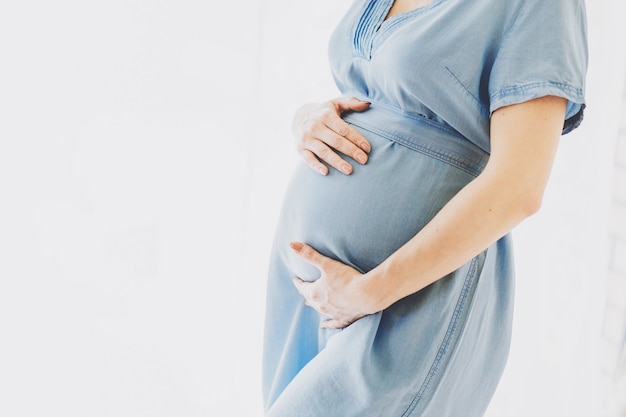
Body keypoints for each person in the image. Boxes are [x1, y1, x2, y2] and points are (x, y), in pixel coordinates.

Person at [262, 0, 588, 416]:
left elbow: (519, 186)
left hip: (405, 298)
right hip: (311, 296)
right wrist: (308, 117)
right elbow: (379, 91)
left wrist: (368, 292)